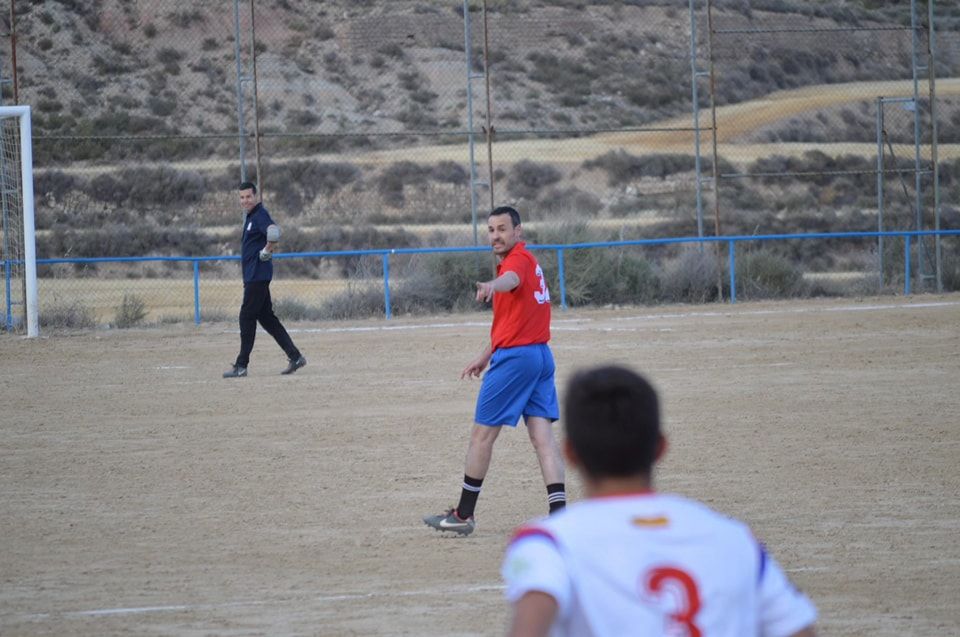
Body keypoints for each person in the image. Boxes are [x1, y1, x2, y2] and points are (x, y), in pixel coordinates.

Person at [501, 365, 818, 637]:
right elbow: (798, 627)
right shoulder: (737, 540)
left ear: (570, 453)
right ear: (660, 448)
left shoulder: (547, 542)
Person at [423, 205, 566, 537]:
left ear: (518, 231)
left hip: (517, 360)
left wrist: (491, 284)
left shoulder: (517, 261)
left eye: (502, 229)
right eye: (490, 230)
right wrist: (485, 354)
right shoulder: (527, 260)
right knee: (541, 436)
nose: (495, 235)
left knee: (482, 436)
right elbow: (511, 320)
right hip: (539, 356)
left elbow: (510, 280)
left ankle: (463, 515)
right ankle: (560, 516)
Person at [223, 181, 306, 378]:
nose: (245, 201)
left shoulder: (260, 214)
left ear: (256, 197)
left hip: (257, 276)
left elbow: (274, 231)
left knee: (246, 316)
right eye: (242, 197)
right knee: (267, 318)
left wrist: (267, 251)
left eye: (248, 197)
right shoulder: (251, 217)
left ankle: (241, 365)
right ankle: (295, 357)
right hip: (254, 275)